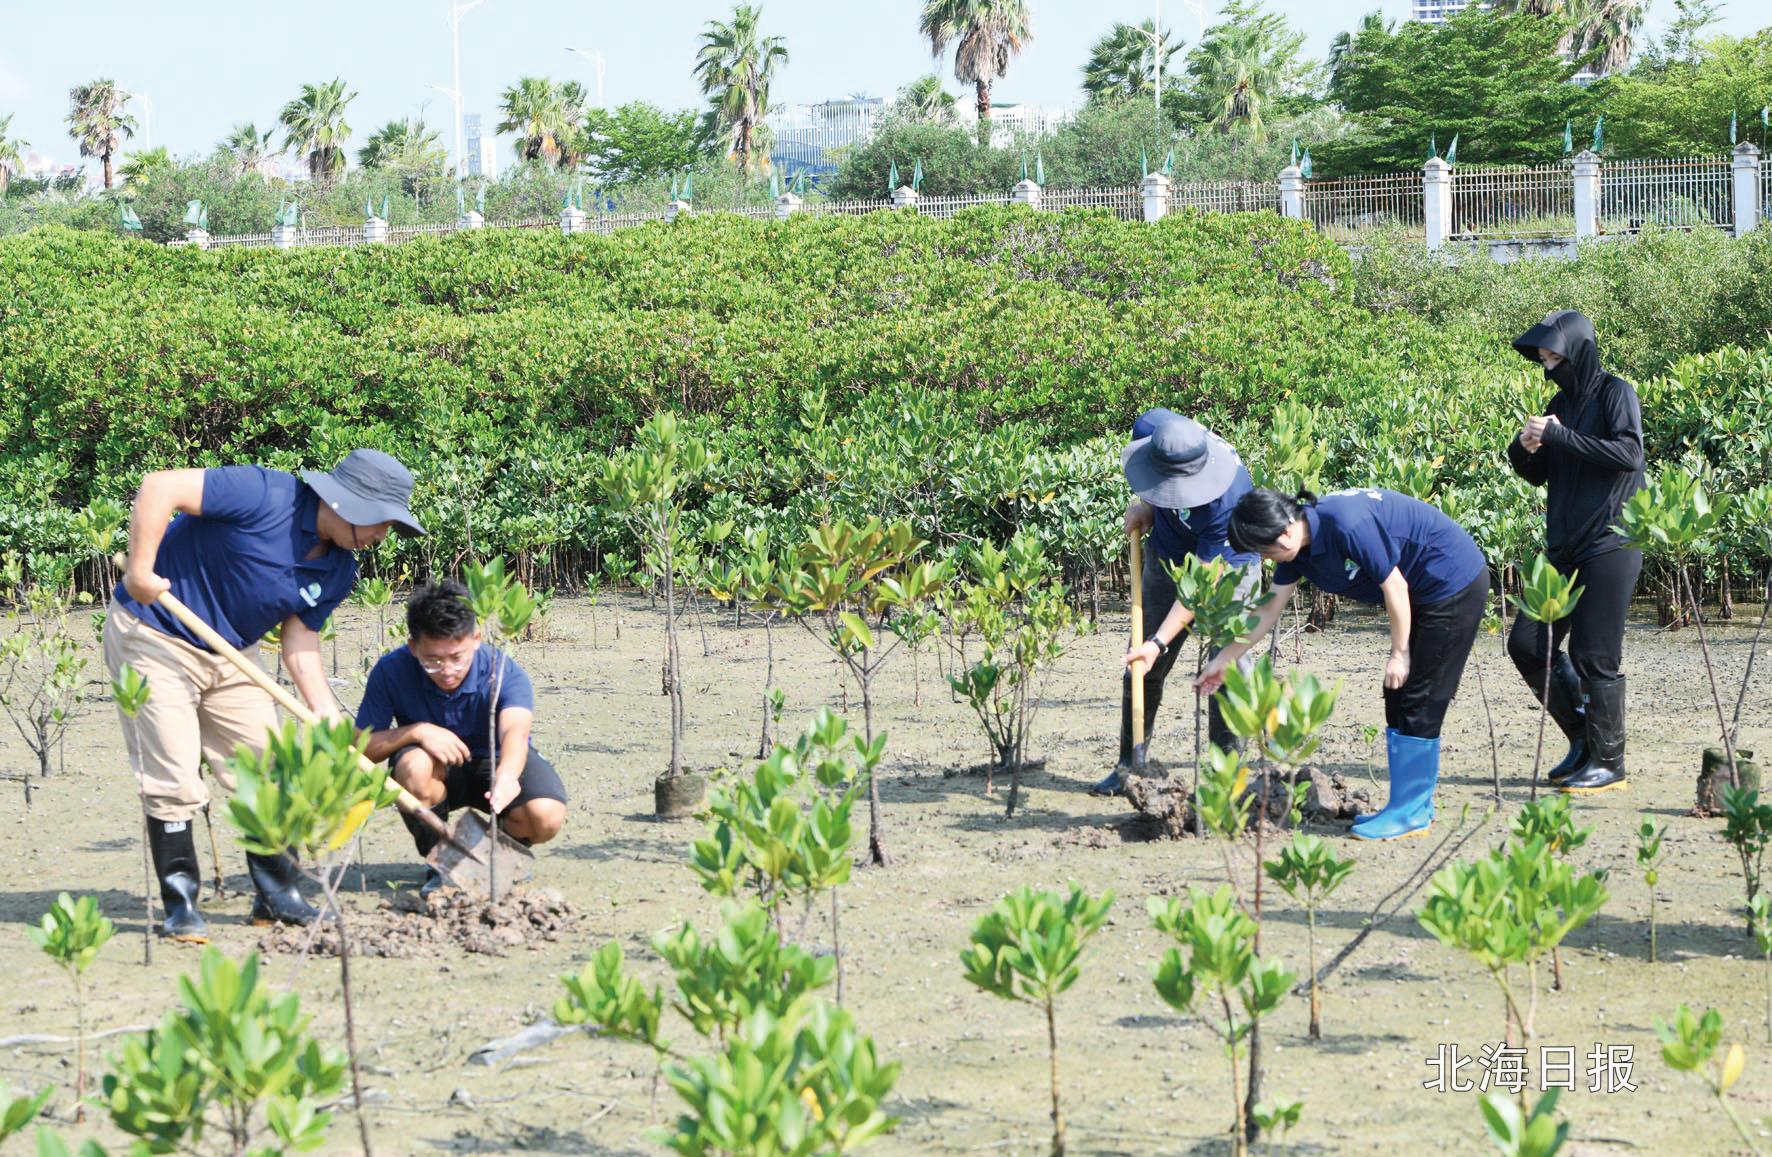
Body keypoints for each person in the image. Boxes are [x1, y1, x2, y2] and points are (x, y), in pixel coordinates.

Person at [106, 449, 425, 941]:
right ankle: (181, 904)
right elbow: (159, 486)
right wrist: (141, 570)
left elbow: (299, 641)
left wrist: (322, 712)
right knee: (173, 773)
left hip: (230, 651)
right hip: (154, 635)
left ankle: (277, 897)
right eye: (380, 522)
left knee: (270, 770)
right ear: (346, 503)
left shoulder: (338, 571)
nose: (383, 536)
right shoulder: (262, 493)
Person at [1199, 488, 1491, 841]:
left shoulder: (1347, 524)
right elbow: (1269, 610)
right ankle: (1408, 805)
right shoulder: (1295, 551)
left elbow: (1394, 586)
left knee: (1420, 697)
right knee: (1396, 694)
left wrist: (1400, 654)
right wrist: (1223, 659)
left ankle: (1411, 814)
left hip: (1450, 582)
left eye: (1266, 549)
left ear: (1286, 529)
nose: (1266, 557)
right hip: (1419, 593)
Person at [1505, 310, 1645, 795]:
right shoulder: (1558, 403)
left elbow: (1629, 453)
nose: (1547, 367)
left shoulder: (1615, 392)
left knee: (1593, 655)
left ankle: (1610, 762)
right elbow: (1539, 475)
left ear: (1578, 350)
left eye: (1553, 357)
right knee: (1526, 643)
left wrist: (1558, 435)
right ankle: (1585, 742)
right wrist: (1525, 449)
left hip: (1612, 541)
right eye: (1542, 360)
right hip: (1564, 545)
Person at [356, 580, 567, 895]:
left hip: (492, 763)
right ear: (413, 647)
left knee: (546, 814)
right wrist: (417, 731)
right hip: (434, 771)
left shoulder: (503, 670)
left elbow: (515, 732)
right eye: (433, 660)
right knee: (413, 766)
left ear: (476, 639)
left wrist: (508, 776)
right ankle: (440, 859)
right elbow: (361, 748)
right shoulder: (391, 670)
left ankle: (497, 855)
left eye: (457, 657)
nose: (447, 670)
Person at [1098, 410, 1260, 795]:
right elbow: (1153, 477)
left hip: (1229, 566)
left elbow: (1200, 584)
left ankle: (1226, 781)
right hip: (1167, 554)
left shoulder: (1230, 497)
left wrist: (1159, 643)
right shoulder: (1152, 429)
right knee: (1139, 664)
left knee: (1227, 671)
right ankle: (1129, 767)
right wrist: (1150, 509)